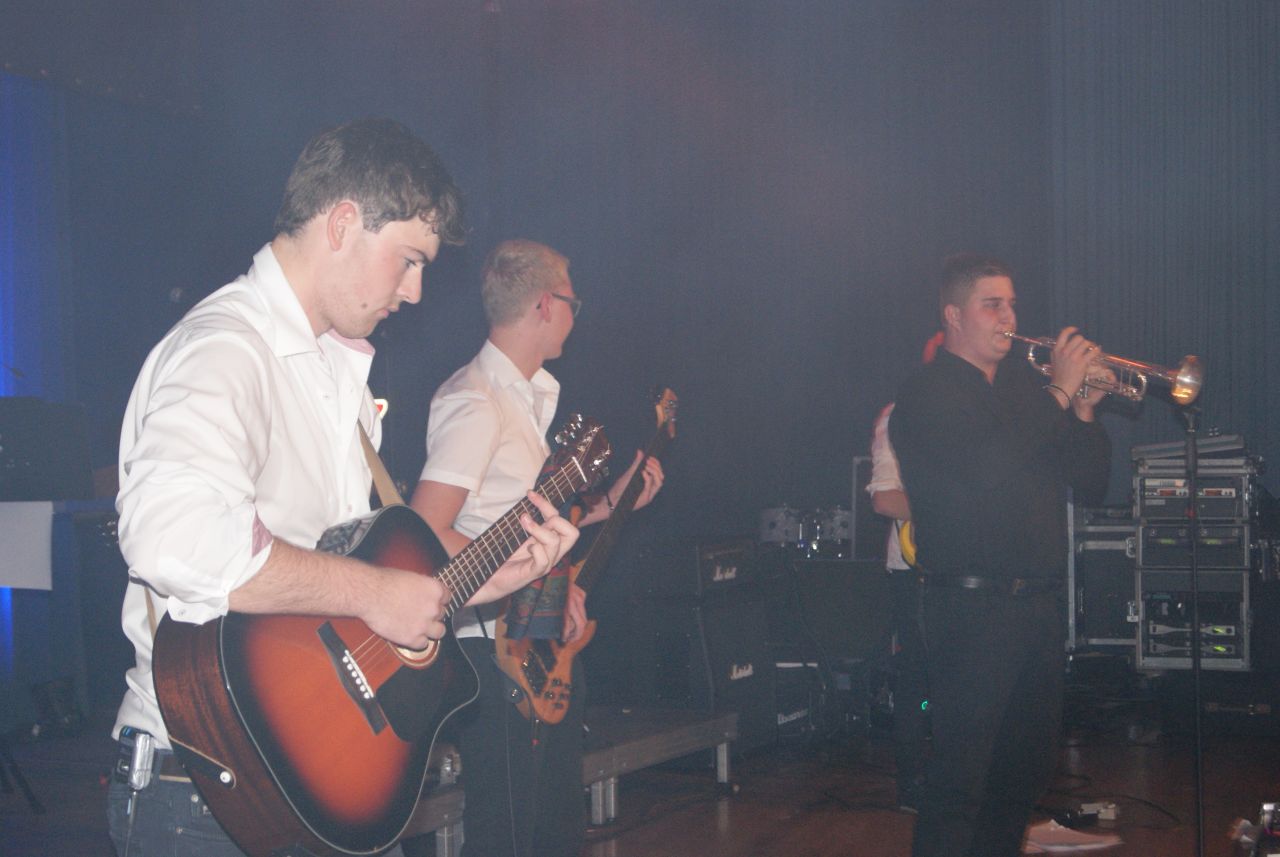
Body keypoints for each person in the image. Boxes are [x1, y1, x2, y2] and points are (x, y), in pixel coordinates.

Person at [107, 119, 578, 857]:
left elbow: (342, 579)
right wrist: (373, 591)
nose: (415, 291)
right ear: (342, 224)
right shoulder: (226, 349)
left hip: (318, 785)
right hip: (206, 796)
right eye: (409, 261)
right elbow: (175, 537)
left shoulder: (339, 379)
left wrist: (482, 578)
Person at [408, 238, 663, 857]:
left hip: (535, 641)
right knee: (508, 833)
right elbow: (426, 529)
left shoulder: (526, 399)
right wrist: (525, 581)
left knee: (551, 829)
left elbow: (523, 522)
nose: (577, 316)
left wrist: (613, 502)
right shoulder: (477, 400)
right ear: (546, 305)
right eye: (574, 303)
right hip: (489, 647)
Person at [890, 254, 1111, 857]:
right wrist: (1060, 391)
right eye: (993, 304)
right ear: (953, 315)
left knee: (1022, 776)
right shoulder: (927, 393)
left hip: (1036, 610)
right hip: (970, 608)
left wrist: (1084, 407)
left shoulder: (1023, 394)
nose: (1009, 317)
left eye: (1012, 304)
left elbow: (1091, 484)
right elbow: (988, 468)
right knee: (960, 779)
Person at [865, 330, 942, 813]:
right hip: (916, 569)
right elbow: (884, 499)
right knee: (917, 678)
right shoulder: (898, 417)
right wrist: (948, 509)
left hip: (973, 565)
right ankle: (913, 784)